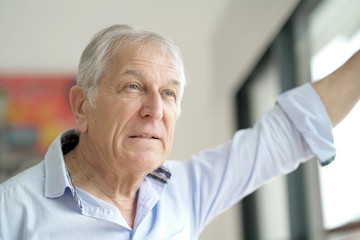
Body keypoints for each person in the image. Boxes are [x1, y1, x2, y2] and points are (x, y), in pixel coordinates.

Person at [0, 24, 359, 239]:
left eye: (168, 93)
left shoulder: (185, 190)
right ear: (82, 106)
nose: (155, 110)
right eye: (132, 87)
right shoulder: (11, 211)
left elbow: (285, 134)